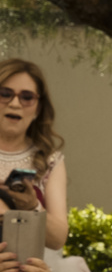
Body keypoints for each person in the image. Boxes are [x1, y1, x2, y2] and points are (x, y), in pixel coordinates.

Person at [0, 58, 68, 249]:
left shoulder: (50, 161)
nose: (15, 104)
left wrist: (32, 207)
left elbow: (58, 241)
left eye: (27, 97)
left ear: (38, 108)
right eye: (5, 94)